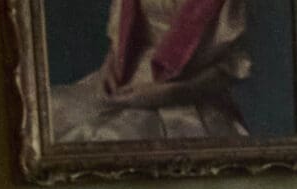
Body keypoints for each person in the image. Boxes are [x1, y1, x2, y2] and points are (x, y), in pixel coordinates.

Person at [47, 0, 253, 142]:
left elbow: (230, 66)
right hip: (126, 79)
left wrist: (171, 93)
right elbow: (123, 35)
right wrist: (109, 68)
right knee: (51, 122)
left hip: (187, 93)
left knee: (121, 138)